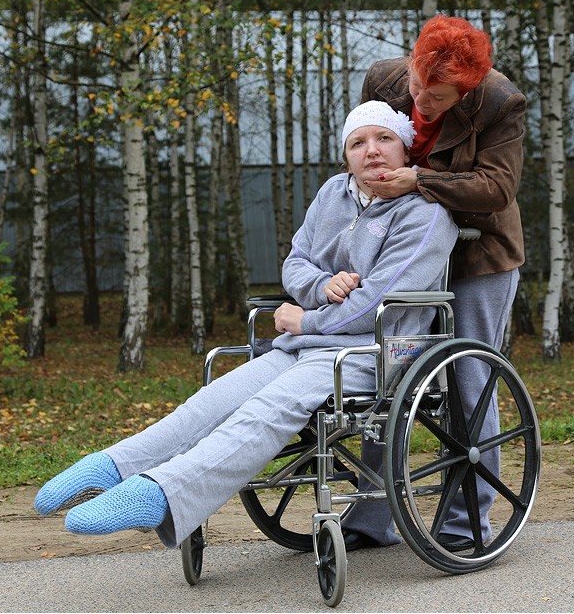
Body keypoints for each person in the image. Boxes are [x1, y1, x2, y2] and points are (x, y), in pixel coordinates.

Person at [33, 101, 458, 549]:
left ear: (405, 149)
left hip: (376, 352)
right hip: (307, 345)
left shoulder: (424, 212)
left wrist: (306, 319)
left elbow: (379, 304)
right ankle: (111, 467)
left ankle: (161, 495)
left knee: (266, 411)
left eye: (384, 138)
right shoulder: (334, 193)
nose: (371, 150)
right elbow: (296, 262)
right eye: (358, 143)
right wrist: (320, 285)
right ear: (346, 157)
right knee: (211, 402)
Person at [339, 15, 526, 552]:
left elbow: (497, 187)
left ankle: (466, 523)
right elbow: (365, 149)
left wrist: (420, 179)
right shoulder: (384, 78)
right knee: (386, 376)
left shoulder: (500, 102)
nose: (419, 101)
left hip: (477, 255)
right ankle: (373, 517)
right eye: (417, 85)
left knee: (469, 380)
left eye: (437, 97)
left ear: (466, 90)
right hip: (397, 251)